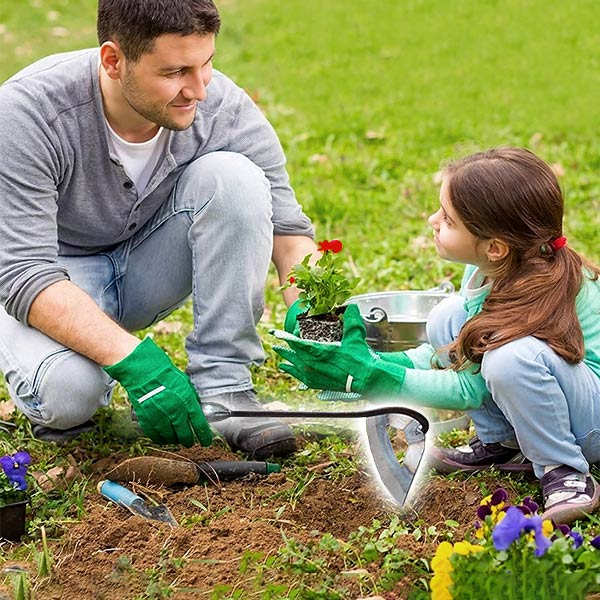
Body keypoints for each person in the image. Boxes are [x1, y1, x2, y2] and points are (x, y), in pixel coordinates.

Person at [0, 0, 317, 458]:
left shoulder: (222, 106)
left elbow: (289, 234)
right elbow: (24, 272)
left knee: (237, 178)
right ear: (113, 60)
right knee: (68, 396)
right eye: (174, 72)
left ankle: (226, 390)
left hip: (147, 263)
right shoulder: (27, 113)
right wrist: (136, 362)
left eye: (205, 64)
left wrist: (315, 321)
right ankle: (87, 360)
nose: (199, 90)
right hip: (54, 278)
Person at [274, 147, 600, 524]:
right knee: (451, 317)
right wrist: (378, 360)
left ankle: (564, 469)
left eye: (447, 219)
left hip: (589, 423)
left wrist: (378, 380)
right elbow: (458, 352)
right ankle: (504, 444)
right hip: (563, 396)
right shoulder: (494, 268)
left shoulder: (537, 288)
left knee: (510, 360)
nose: (432, 220)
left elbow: (469, 388)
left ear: (495, 247)